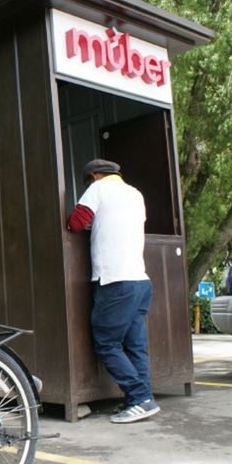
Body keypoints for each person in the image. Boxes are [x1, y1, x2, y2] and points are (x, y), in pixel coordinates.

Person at [67, 158, 159, 424]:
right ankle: (140, 401)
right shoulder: (135, 194)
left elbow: (76, 223)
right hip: (140, 282)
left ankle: (140, 396)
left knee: (106, 343)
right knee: (135, 346)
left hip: (115, 281)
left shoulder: (99, 189)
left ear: (94, 175)